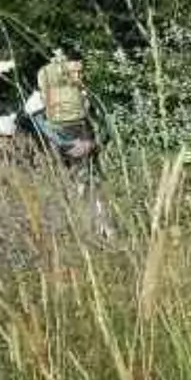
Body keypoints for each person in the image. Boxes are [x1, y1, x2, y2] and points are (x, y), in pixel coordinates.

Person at [33, 47, 113, 238]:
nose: (78, 75)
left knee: (93, 187)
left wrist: (94, 142)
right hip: (63, 149)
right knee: (69, 189)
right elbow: (39, 121)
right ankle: (72, 231)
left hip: (86, 144)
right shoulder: (44, 95)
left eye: (80, 71)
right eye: (74, 71)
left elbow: (105, 121)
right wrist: (66, 145)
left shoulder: (84, 95)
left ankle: (102, 230)